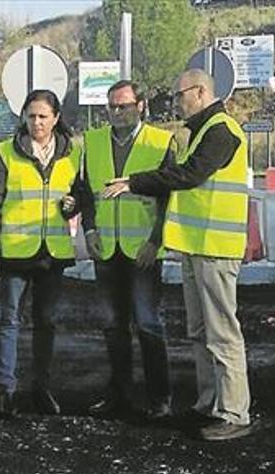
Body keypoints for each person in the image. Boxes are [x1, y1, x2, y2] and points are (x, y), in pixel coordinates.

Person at [103, 69, 253, 441]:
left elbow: (189, 176)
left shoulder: (222, 130)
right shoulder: (200, 131)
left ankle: (234, 411)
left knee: (222, 333)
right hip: (195, 246)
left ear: (200, 92)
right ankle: (209, 403)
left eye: (179, 94)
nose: (176, 102)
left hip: (216, 249)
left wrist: (134, 182)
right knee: (200, 331)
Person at [73, 80, 176, 420]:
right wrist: (89, 230)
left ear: (141, 106)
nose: (117, 113)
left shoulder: (160, 142)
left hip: (142, 249)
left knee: (148, 324)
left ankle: (160, 399)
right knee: (113, 326)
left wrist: (156, 240)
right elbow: (85, 192)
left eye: (124, 106)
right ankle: (118, 394)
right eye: (112, 107)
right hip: (106, 248)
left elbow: (168, 198)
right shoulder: (93, 142)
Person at [0, 89, 81, 418]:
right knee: (10, 321)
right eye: (31, 115)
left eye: (43, 116)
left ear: (55, 118)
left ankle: (42, 389)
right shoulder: (6, 152)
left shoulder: (73, 153)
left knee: (46, 323)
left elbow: (80, 195)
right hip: (14, 252)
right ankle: (6, 390)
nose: (36, 122)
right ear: (22, 116)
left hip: (52, 253)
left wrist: (73, 206)